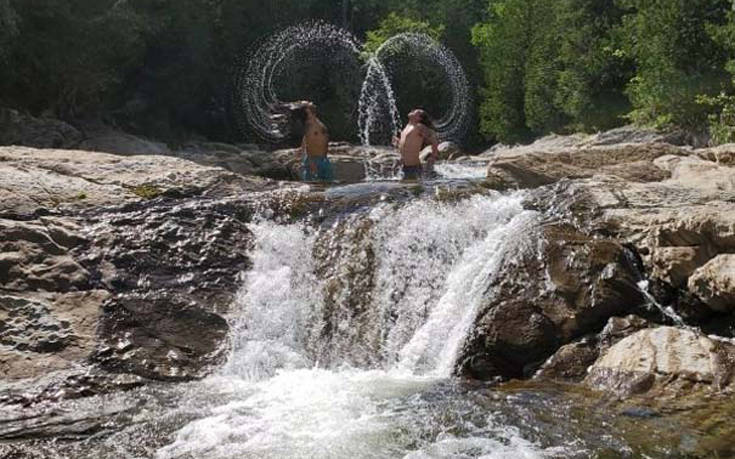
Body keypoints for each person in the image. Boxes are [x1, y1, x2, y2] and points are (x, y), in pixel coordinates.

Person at [292, 101, 334, 182]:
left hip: (323, 158)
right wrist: (310, 161)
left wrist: (301, 151)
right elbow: (308, 143)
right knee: (314, 184)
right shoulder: (310, 126)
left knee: (326, 183)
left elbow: (306, 139)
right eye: (306, 114)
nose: (307, 116)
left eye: (308, 113)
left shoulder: (317, 124)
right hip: (314, 159)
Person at [393, 108, 439, 180]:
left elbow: (434, 140)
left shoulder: (419, 127)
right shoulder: (407, 127)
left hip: (414, 167)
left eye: (416, 112)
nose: (412, 111)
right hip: (404, 166)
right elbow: (407, 145)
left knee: (413, 189)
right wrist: (398, 142)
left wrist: (433, 156)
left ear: (419, 118)